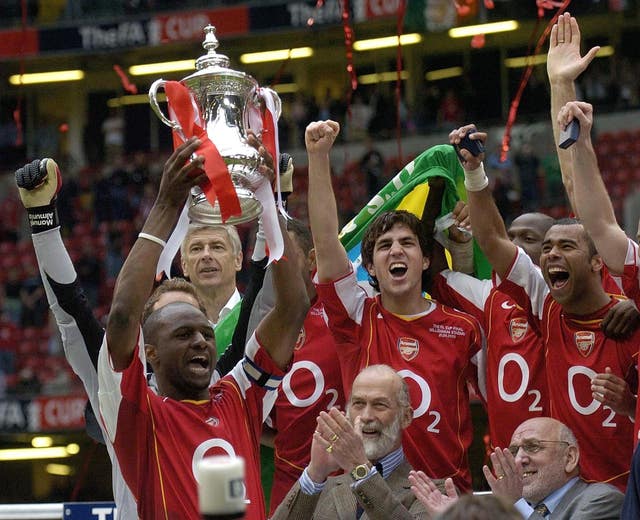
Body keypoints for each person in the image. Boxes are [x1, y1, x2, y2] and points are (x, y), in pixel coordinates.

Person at [97, 136, 309, 519]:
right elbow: (124, 318)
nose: (200, 342)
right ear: (151, 352)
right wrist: (165, 206)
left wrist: (269, 202)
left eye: (205, 334)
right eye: (182, 334)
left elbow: (293, 306)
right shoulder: (139, 417)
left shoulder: (235, 401)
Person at [15, 158, 213, 518]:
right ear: (147, 340)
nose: (194, 338)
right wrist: (43, 221)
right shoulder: (116, 382)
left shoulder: (223, 388)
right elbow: (71, 313)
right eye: (175, 325)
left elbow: (225, 503)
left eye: (198, 325)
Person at [449, 123, 638, 491]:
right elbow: (491, 240)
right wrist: (474, 171)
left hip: (624, 484)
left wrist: (629, 403)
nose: (551, 254)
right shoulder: (547, 308)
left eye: (566, 247)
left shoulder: (629, 318)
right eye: (547, 247)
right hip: (564, 490)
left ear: (598, 263)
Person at [305, 120, 484, 491]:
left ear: (426, 260)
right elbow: (325, 243)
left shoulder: (463, 326)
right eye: (384, 246)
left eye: (407, 243)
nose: (396, 250)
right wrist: (318, 158)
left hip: (446, 497)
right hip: (370, 493)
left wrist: (473, 177)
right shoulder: (356, 317)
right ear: (369, 267)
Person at [244, 217, 346, 514]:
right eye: (272, 257)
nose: (277, 265)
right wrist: (284, 442)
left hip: (342, 477)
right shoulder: (263, 327)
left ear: (313, 258)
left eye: (285, 255)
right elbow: (247, 409)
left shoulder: (341, 311)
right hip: (288, 478)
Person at [270, 364, 431, 519]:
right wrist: (315, 473)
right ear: (347, 413)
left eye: (380, 405)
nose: (367, 416)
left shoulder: (434, 494)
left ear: (406, 417)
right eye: (359, 403)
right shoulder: (323, 487)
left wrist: (359, 468)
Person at [412, 417, 624, 519]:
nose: (520, 459)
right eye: (514, 451)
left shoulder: (602, 500)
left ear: (569, 457)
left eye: (533, 447)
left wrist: (515, 504)